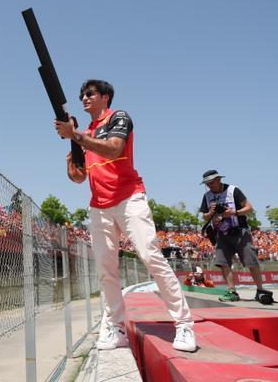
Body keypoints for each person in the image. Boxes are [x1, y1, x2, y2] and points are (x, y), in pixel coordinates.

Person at [55, 79, 196, 352]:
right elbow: (79, 178)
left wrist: (76, 136)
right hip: (99, 205)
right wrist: (71, 162)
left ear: (105, 96)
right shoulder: (85, 133)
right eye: (82, 95)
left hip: (130, 198)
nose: (84, 98)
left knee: (151, 256)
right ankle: (116, 328)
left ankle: (184, 324)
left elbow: (115, 148)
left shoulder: (118, 117)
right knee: (106, 271)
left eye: (90, 93)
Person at [199, 170, 273, 304]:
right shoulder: (207, 196)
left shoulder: (233, 190)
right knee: (223, 263)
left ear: (218, 179)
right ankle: (232, 291)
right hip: (221, 233)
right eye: (207, 183)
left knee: (251, 260)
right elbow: (204, 215)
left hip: (240, 231)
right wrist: (210, 212)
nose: (209, 185)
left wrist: (234, 212)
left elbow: (249, 208)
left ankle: (260, 290)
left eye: (211, 182)